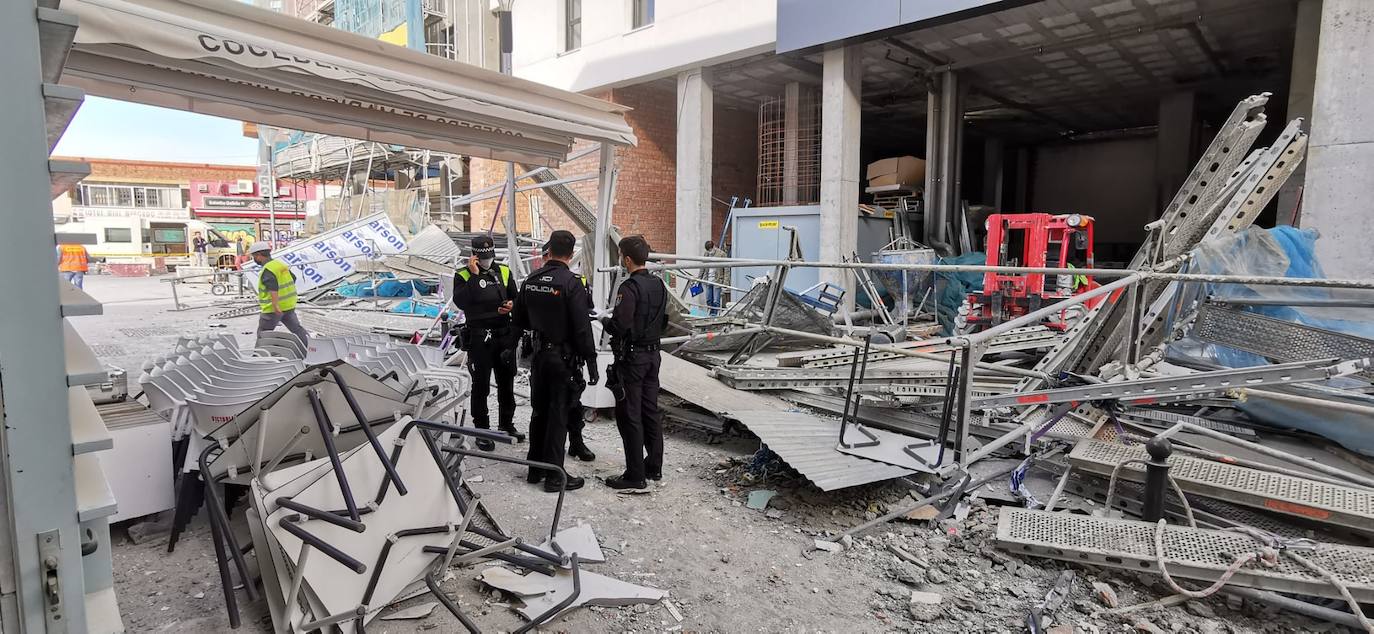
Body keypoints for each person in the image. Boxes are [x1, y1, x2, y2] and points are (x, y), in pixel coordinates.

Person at [514, 230, 598, 492]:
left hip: (539, 356)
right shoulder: (572, 283)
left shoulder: (532, 279)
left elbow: (519, 318)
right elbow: (582, 328)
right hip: (563, 359)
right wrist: (592, 361)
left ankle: (535, 469)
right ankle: (554, 476)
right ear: (572, 254)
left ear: (549, 249)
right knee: (558, 415)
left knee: (539, 412)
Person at [602, 235, 668, 490]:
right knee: (650, 411)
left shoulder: (628, 288)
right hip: (653, 356)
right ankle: (654, 467)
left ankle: (634, 475)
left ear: (627, 259)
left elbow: (620, 325)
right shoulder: (659, 284)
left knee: (630, 414)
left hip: (633, 358)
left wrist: (603, 320)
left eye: (621, 256)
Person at [452, 235, 522, 451]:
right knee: (481, 386)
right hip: (479, 337)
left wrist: (512, 305)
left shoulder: (503, 271)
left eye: (489, 256)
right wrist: (474, 276)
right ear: (474, 256)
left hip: (503, 335)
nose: (486, 260)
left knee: (506, 383)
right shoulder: (463, 275)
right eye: (482, 257)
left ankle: (506, 424)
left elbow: (516, 298)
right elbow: (461, 302)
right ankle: (481, 429)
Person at [249, 241, 310, 349]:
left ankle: (259, 355)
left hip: (272, 309)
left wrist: (276, 305)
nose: (254, 259)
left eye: (254, 256)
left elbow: (273, 288)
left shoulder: (268, 269)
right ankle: (312, 347)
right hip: (288, 306)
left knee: (263, 333)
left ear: (258, 255)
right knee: (297, 329)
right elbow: (293, 278)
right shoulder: (279, 265)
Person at [702, 239, 728, 314]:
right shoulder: (706, 254)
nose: (710, 252)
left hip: (717, 280)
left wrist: (725, 283)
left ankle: (714, 315)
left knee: (716, 301)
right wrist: (699, 279)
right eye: (708, 251)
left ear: (714, 247)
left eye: (710, 250)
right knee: (708, 300)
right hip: (708, 280)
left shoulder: (721, 254)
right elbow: (702, 267)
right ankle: (710, 313)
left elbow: (726, 269)